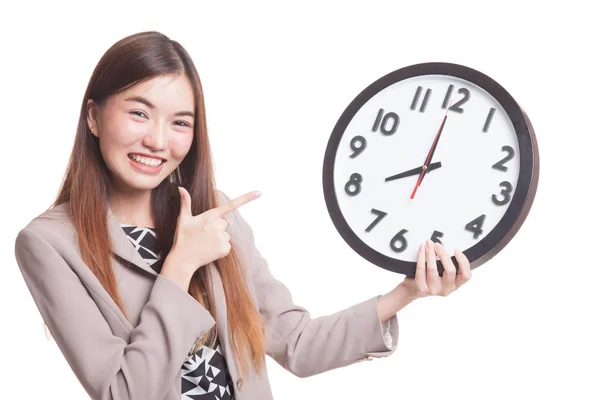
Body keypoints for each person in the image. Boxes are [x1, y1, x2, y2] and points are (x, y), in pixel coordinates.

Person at [13, 31, 472, 400]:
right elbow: (125, 393)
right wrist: (179, 267)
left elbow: (296, 344)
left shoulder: (216, 212)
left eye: (180, 122)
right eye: (139, 112)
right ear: (93, 117)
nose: (158, 140)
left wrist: (407, 291)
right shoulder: (50, 243)